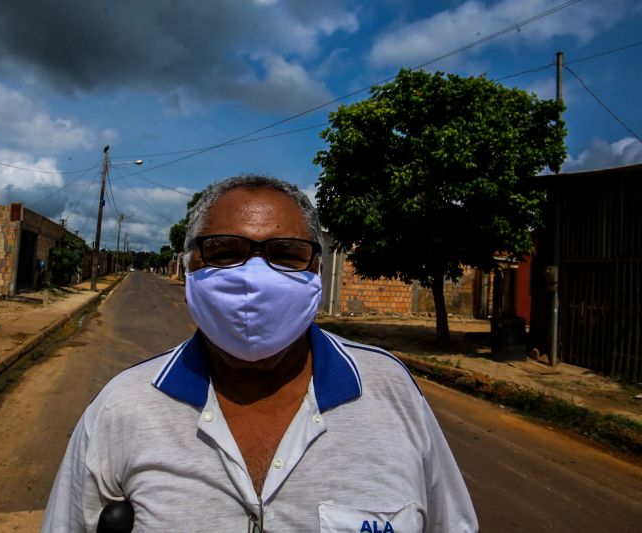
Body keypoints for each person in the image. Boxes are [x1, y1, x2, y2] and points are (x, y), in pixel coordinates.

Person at [43, 175, 478, 532]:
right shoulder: (123, 407)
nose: (254, 277)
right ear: (189, 265)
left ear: (316, 270)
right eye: (225, 252)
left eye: (285, 254)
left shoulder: (390, 392)